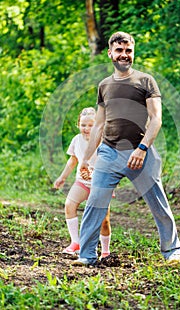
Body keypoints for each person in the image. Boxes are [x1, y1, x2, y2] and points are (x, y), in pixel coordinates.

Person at [75, 31, 180, 266]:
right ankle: (86, 256)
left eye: (128, 51)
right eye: (119, 50)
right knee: (95, 204)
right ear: (110, 53)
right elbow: (100, 124)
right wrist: (85, 158)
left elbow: (156, 119)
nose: (124, 55)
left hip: (140, 153)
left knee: (158, 203)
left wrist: (142, 148)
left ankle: (172, 251)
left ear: (133, 52)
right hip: (108, 152)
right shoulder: (104, 85)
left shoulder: (146, 81)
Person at [53, 107, 111, 258]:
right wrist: (62, 177)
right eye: (83, 125)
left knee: (104, 220)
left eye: (91, 125)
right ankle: (75, 242)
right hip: (82, 182)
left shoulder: (103, 140)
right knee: (69, 205)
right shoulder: (76, 140)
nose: (86, 128)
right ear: (78, 124)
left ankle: (105, 251)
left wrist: (112, 184)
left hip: (101, 185)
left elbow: (110, 163)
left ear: (98, 125)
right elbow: (73, 160)